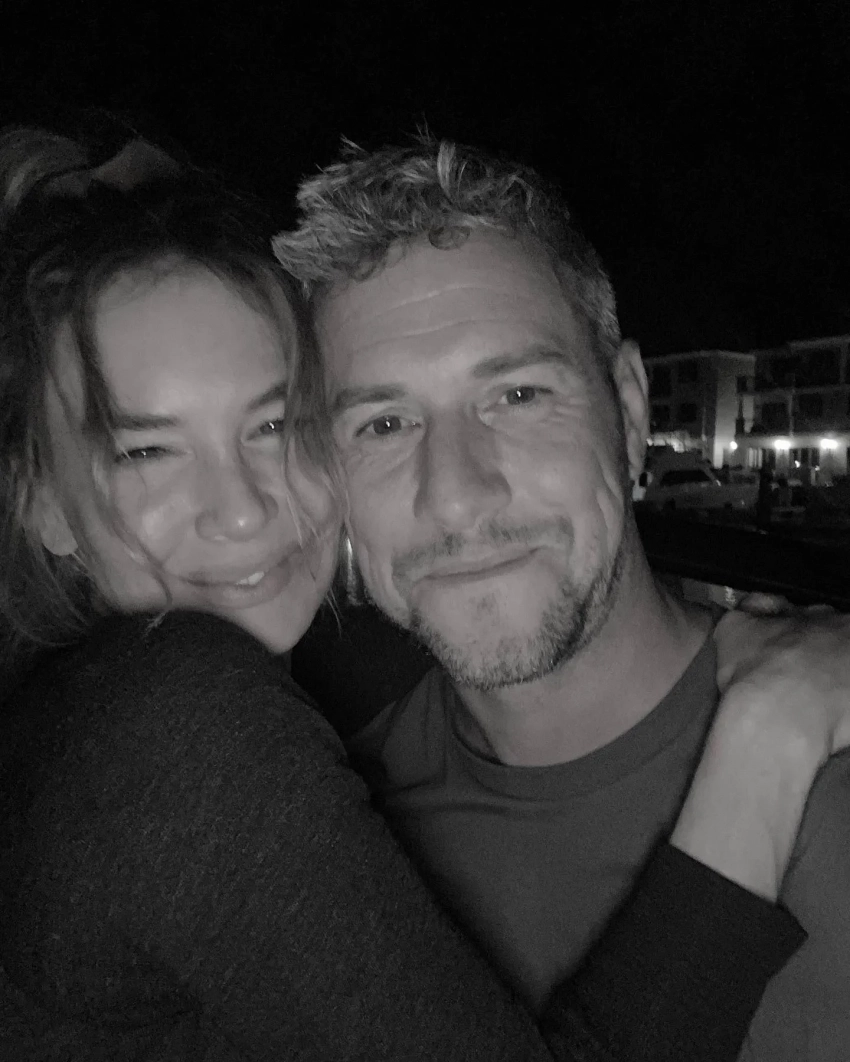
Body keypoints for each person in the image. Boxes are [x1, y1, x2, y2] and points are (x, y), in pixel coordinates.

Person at [0, 125, 812, 1062]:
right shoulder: (185, 723)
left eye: (274, 425)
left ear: (630, 412)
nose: (242, 510)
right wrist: (768, 737)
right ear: (41, 503)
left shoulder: (322, 706)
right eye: (145, 449)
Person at [274, 135, 850, 1060]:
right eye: (383, 424)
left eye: (517, 395)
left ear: (630, 413)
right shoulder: (325, 821)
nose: (456, 495)